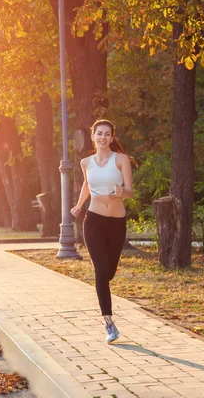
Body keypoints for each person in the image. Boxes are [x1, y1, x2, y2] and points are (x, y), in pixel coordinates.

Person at [70, 119, 134, 344]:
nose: (103, 137)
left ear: (112, 137)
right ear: (93, 136)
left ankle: (107, 314)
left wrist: (121, 192)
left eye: (107, 134)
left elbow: (130, 192)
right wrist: (79, 205)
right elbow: (87, 185)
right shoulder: (86, 162)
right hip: (94, 221)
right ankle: (109, 323)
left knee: (109, 273)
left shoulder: (121, 160)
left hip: (116, 222)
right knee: (100, 271)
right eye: (99, 133)